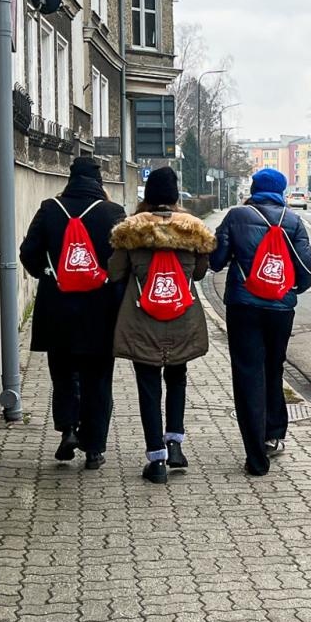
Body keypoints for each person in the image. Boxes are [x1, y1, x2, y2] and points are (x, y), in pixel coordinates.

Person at [108, 167, 215, 485]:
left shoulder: (129, 232)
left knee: (148, 386)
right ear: (176, 195)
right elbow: (198, 274)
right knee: (178, 378)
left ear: (147, 195)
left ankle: (156, 459)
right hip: (183, 318)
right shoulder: (193, 230)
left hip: (142, 320)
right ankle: (176, 446)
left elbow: (114, 274)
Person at [18, 156, 127, 469]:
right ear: (98, 181)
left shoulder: (50, 208)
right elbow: (122, 260)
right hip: (100, 307)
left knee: (63, 373)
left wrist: (50, 274)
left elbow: (28, 253)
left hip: (58, 306)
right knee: (98, 377)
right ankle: (94, 448)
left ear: (70, 178)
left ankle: (68, 430)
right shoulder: (112, 212)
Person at [210, 168, 311, 476]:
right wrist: (288, 290)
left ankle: (256, 457)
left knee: (247, 374)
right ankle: (274, 433)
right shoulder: (293, 220)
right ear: (281, 190)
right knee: (274, 368)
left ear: (254, 188)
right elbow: (307, 268)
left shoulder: (237, 216)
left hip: (243, 306)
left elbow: (216, 261)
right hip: (280, 310)